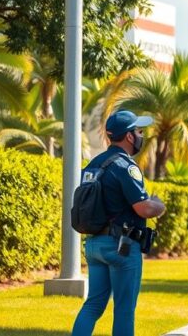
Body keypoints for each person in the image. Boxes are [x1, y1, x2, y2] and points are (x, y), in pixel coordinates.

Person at [72, 110, 166, 336]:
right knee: (124, 309)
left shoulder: (94, 163)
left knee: (93, 305)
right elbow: (142, 208)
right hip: (121, 247)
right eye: (139, 131)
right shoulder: (126, 166)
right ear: (129, 136)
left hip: (94, 244)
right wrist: (158, 205)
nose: (141, 135)